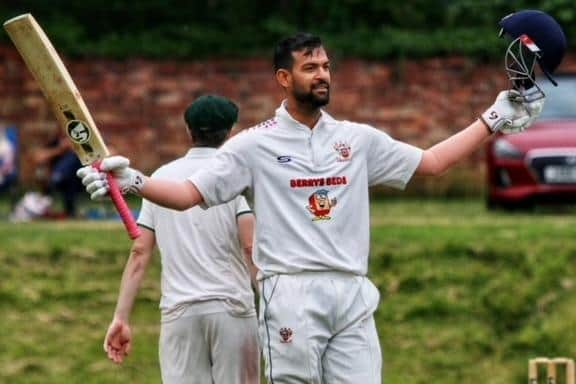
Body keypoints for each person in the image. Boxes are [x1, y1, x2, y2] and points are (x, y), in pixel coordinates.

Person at [79, 13, 563, 383]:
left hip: (351, 290)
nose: (322, 74)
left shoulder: (357, 139)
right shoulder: (254, 142)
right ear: (283, 79)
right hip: (290, 291)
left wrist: (494, 119)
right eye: (310, 67)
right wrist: (136, 181)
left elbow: (432, 162)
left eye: (327, 65)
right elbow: (186, 194)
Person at [103, 95, 260, 384]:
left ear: (188, 131)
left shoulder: (160, 179)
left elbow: (140, 252)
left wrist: (121, 317)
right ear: (232, 132)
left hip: (180, 312)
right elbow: (250, 246)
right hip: (232, 309)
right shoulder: (236, 176)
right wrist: (273, 305)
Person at [32, 130, 83, 217]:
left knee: (73, 157)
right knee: (67, 179)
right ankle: (58, 176)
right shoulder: (55, 143)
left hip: (80, 180)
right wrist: (60, 150)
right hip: (62, 182)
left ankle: (58, 176)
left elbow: (110, 152)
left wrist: (77, 149)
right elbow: (37, 157)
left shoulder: (82, 141)